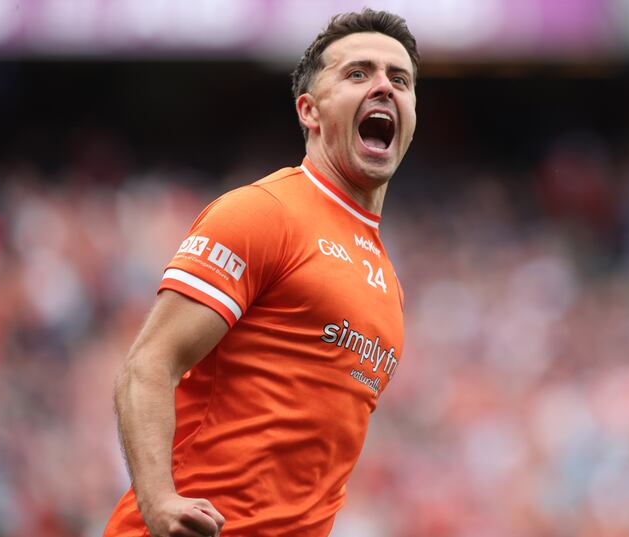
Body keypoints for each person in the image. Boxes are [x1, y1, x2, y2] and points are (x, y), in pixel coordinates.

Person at [104, 8, 419, 537]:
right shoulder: (264, 213)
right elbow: (147, 366)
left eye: (400, 78)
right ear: (310, 111)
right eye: (358, 73)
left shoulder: (388, 280)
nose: (385, 86)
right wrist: (158, 502)